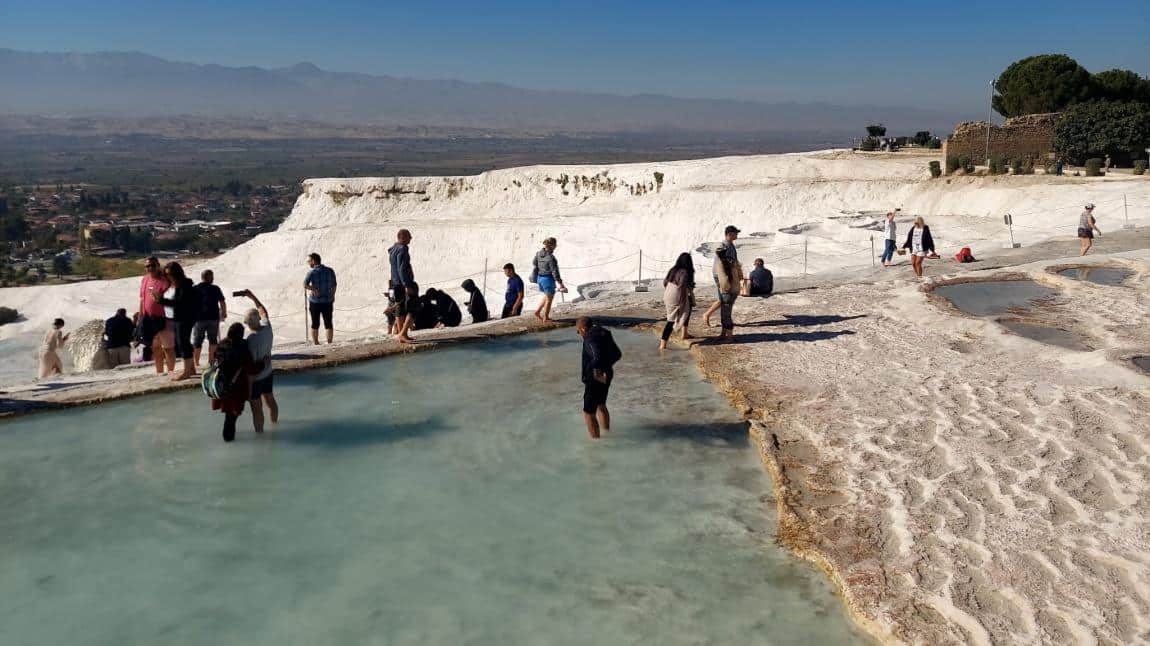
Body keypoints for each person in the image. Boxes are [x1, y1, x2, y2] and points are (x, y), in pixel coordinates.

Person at [207, 322, 263, 443]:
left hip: (221, 385)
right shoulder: (241, 346)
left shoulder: (222, 344)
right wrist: (263, 363)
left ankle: (228, 439)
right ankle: (228, 440)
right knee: (231, 417)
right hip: (235, 389)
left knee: (230, 416)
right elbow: (251, 367)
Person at [152, 262, 200, 381]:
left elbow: (180, 303)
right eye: (167, 274)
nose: (169, 276)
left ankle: (187, 371)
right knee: (184, 342)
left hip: (184, 317)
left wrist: (161, 301)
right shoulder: (174, 284)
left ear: (177, 273)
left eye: (171, 274)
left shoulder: (184, 285)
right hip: (177, 317)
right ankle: (191, 369)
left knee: (183, 343)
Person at [240, 290, 278, 434]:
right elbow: (263, 311)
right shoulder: (267, 328)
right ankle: (275, 423)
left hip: (256, 378)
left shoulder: (251, 340)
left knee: (257, 409)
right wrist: (251, 296)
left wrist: (248, 388)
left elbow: (250, 365)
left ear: (248, 324)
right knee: (270, 400)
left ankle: (260, 435)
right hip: (268, 372)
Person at [577, 317, 621, 439]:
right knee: (601, 404)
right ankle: (607, 433)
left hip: (595, 378)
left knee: (588, 412)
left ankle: (596, 443)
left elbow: (597, 357)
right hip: (607, 374)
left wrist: (593, 371)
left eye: (578, 331)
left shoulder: (589, 339)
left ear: (583, 329)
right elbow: (617, 354)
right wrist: (606, 367)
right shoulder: (604, 333)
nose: (579, 334)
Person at [138, 256, 173, 374]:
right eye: (147, 266)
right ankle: (159, 372)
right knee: (155, 347)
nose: (150, 268)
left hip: (163, 318)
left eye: (152, 265)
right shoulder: (145, 279)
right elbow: (142, 299)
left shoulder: (165, 280)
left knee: (167, 347)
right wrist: (140, 317)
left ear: (158, 265)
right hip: (148, 318)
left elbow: (171, 296)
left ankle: (171, 372)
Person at [703, 225, 741, 328]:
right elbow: (720, 264)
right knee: (726, 299)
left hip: (726, 276)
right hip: (723, 277)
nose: (737, 235)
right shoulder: (724, 246)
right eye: (735, 233)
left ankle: (710, 315)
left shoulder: (730, 245)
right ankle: (725, 323)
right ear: (729, 234)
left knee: (725, 300)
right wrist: (723, 280)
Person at [660, 253, 695, 351]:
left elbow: (665, 282)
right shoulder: (684, 272)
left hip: (668, 293)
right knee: (674, 318)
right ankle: (663, 345)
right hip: (677, 293)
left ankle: (684, 334)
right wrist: (683, 301)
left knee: (672, 317)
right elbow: (682, 286)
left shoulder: (673, 269)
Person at [389, 229, 418, 343]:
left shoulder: (393, 249)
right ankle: (403, 333)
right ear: (402, 237)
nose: (411, 238)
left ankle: (401, 335)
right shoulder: (402, 249)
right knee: (414, 307)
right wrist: (407, 284)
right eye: (409, 236)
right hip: (403, 283)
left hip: (396, 283)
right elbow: (402, 268)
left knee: (400, 309)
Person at [193, 269, 227, 367]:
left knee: (197, 340)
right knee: (213, 340)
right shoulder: (215, 288)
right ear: (208, 277)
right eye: (211, 276)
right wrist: (224, 312)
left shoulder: (195, 288)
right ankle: (211, 361)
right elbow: (222, 301)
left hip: (199, 319)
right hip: (213, 318)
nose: (213, 278)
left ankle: (196, 362)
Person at [303, 253, 337, 345]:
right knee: (328, 322)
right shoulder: (330, 270)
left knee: (315, 323)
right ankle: (329, 342)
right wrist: (333, 295)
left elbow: (305, 284)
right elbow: (334, 285)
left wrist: (313, 289)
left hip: (315, 301)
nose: (308, 263)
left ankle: (316, 343)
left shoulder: (312, 272)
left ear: (314, 261)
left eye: (309, 261)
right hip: (327, 300)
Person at [531, 237, 566, 323]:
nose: (556, 246)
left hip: (540, 278)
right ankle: (546, 317)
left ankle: (538, 312)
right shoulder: (551, 258)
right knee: (550, 299)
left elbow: (534, 262)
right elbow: (555, 272)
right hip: (547, 279)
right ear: (552, 245)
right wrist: (560, 283)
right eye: (555, 245)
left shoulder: (538, 253)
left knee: (547, 296)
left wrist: (542, 267)